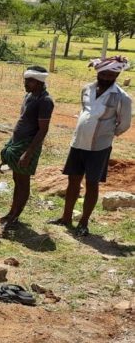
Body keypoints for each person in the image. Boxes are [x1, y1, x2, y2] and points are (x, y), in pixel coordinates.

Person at [50, 56, 131, 236]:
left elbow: (124, 124)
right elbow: (84, 112)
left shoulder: (122, 97)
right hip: (78, 143)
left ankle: (84, 222)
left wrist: (108, 134)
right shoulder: (87, 89)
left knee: (92, 183)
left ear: (117, 75)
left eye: (112, 74)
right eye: (104, 73)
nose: (107, 77)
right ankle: (66, 218)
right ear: (98, 72)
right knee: (72, 180)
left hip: (99, 148)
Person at [0, 66, 54, 230]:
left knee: (23, 181)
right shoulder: (29, 96)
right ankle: (12, 212)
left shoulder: (45, 101)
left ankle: (15, 216)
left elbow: (43, 130)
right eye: (25, 80)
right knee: (17, 179)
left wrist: (28, 153)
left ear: (39, 82)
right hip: (18, 143)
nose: (26, 83)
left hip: (28, 146)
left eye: (30, 81)